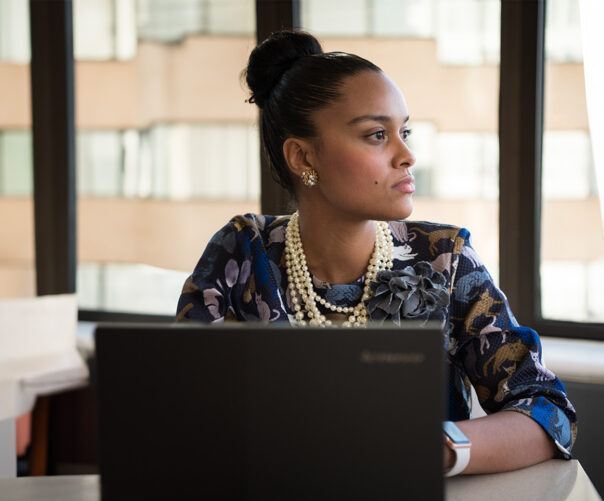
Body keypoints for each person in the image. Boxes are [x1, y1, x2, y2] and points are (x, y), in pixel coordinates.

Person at [176, 30, 577, 475]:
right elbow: (183, 414)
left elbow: (547, 413)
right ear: (303, 158)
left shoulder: (445, 258)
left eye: (404, 131)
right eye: (376, 135)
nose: (407, 155)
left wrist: (432, 449)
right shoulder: (243, 254)